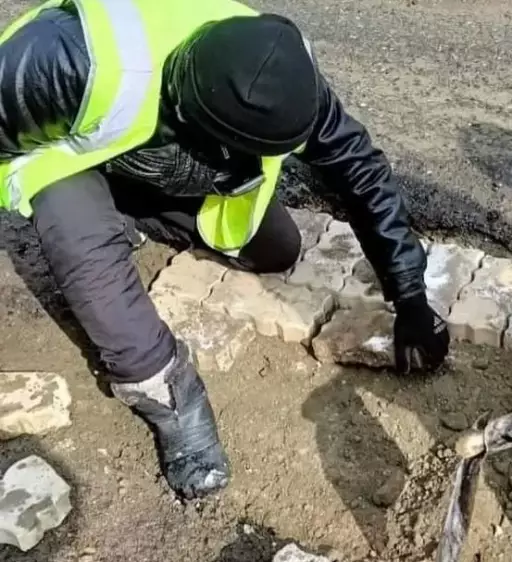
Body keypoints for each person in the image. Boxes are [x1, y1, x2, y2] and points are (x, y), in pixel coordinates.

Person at [0, 0, 450, 500]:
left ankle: (125, 207)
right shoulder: (61, 60)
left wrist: (409, 293)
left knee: (278, 250)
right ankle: (164, 390)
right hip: (71, 161)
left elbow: (358, 168)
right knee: (84, 243)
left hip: (157, 158)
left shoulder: (284, 72)